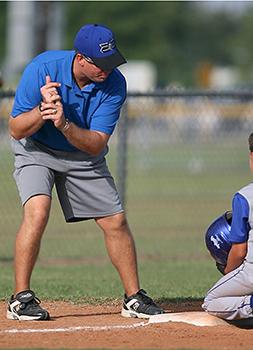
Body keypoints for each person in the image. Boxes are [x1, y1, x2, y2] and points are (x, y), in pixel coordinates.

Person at [7, 23, 164, 321]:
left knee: (115, 221)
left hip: (82, 155)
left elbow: (96, 144)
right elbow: (15, 130)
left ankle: (133, 298)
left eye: (111, 62)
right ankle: (21, 300)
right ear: (81, 58)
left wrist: (64, 124)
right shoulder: (43, 68)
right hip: (36, 149)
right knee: (37, 211)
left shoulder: (114, 84)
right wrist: (43, 111)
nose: (107, 70)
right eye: (100, 64)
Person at [202, 132, 253, 325]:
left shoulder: (245, 196)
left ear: (251, 156)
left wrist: (229, 274)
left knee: (212, 301)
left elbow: (239, 251)